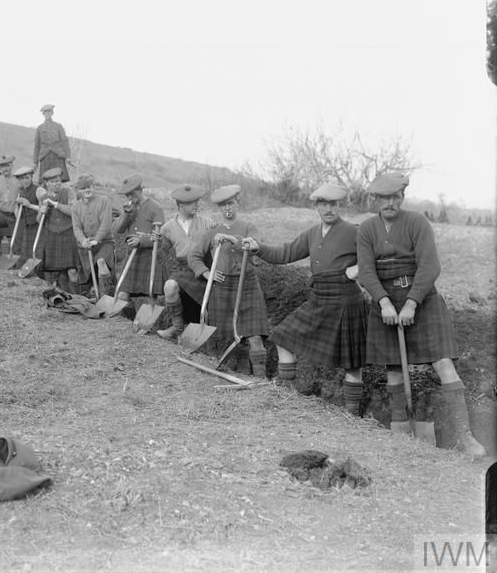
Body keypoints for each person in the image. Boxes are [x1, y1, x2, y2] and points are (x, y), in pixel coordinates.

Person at [356, 173, 486, 457]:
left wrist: (412, 302)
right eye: (384, 198)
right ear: (375, 200)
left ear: (402, 198)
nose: (390, 203)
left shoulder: (417, 223)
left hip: (422, 299)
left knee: (443, 362)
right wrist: (385, 303)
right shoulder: (367, 229)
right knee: (392, 368)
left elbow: (430, 266)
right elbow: (365, 271)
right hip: (385, 303)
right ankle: (400, 427)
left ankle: (465, 436)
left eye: (396, 197)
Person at [242, 183, 368, 409]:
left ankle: (352, 413)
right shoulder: (312, 233)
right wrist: (257, 248)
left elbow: (376, 254)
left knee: (352, 363)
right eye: (323, 204)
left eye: (333, 204)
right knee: (282, 336)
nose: (328, 209)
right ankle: (286, 395)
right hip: (320, 297)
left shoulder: (353, 231)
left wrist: (359, 268)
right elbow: (286, 252)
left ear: (340, 206)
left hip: (347, 300)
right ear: (316, 206)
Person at [187, 185, 270, 378]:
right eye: (223, 205)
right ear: (219, 208)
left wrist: (232, 238)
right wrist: (207, 273)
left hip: (247, 284)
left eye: (231, 203)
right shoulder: (212, 232)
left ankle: (261, 378)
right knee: (222, 337)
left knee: (255, 335)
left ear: (237, 203)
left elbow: (253, 245)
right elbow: (194, 257)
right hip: (222, 286)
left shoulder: (249, 227)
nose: (227, 208)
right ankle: (225, 372)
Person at [155, 184, 215, 339]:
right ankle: (178, 327)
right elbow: (162, 253)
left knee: (212, 301)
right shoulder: (167, 227)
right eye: (192, 202)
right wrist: (153, 241)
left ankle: (205, 331)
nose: (197, 204)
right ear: (181, 206)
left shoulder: (208, 223)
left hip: (203, 268)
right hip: (182, 270)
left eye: (197, 201)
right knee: (169, 286)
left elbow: (216, 246)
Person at [112, 175, 166, 304]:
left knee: (150, 294)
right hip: (132, 253)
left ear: (140, 190)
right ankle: (120, 321)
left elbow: (160, 237)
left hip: (150, 256)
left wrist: (142, 240)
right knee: (122, 293)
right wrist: (125, 214)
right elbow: (117, 230)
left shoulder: (155, 208)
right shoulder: (129, 208)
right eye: (127, 195)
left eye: (132, 194)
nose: (130, 197)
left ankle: (150, 322)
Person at [71, 174, 116, 297]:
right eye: (83, 188)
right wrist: (83, 240)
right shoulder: (75, 206)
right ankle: (90, 297)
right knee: (87, 277)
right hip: (85, 246)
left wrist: (97, 239)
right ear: (79, 191)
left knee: (102, 263)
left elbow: (106, 224)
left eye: (89, 187)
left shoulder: (104, 201)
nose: (87, 190)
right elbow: (77, 227)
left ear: (93, 187)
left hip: (104, 243)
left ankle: (105, 297)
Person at [36, 167, 80, 289]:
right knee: (55, 271)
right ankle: (59, 295)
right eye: (52, 182)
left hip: (68, 234)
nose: (56, 184)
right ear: (46, 183)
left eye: (58, 180)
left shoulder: (69, 192)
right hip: (52, 235)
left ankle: (76, 296)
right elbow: (39, 221)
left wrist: (57, 205)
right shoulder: (43, 198)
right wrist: (42, 212)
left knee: (72, 271)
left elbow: (74, 211)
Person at [10, 166, 42, 270]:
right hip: (27, 225)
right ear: (19, 180)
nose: (25, 181)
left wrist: (29, 205)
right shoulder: (21, 192)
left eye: (27, 177)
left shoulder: (39, 190)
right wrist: (17, 208)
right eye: (22, 179)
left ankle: (37, 269)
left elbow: (45, 209)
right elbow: (19, 212)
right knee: (25, 253)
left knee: (36, 251)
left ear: (31, 177)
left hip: (39, 226)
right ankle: (22, 266)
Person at [33, 104, 71, 183]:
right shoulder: (39, 128)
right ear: (43, 114)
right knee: (45, 181)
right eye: (45, 112)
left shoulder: (58, 126)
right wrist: (35, 162)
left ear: (52, 113)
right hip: (45, 157)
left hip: (58, 156)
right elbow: (37, 146)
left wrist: (68, 156)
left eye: (49, 112)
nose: (47, 114)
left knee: (59, 179)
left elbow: (65, 141)